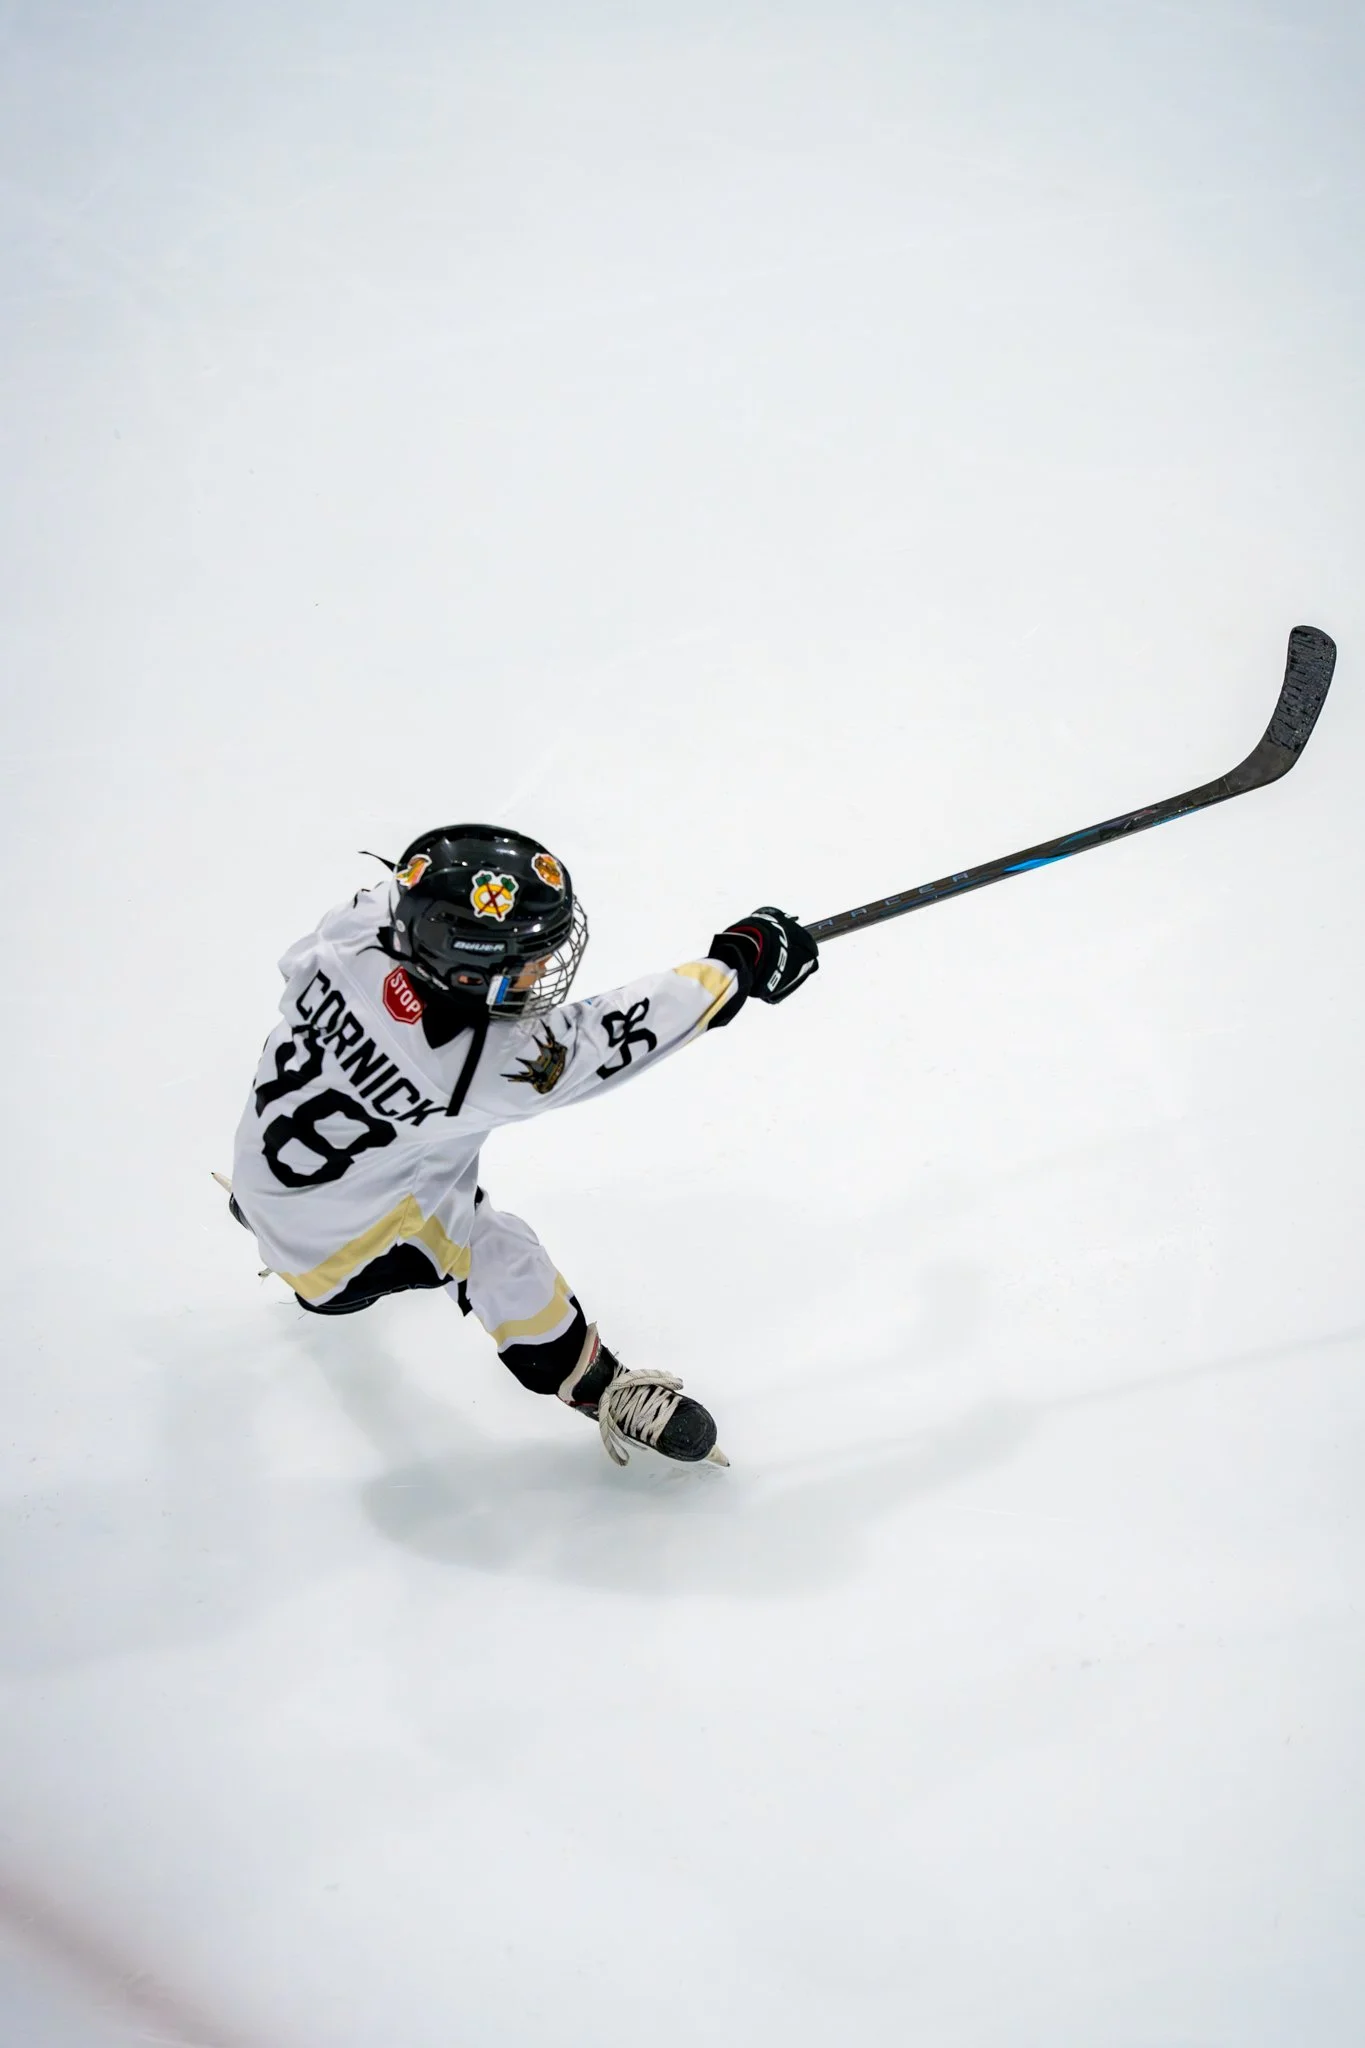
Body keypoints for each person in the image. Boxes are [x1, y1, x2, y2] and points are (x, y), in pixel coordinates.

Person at [227, 823, 819, 1467]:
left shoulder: (355, 931)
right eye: (527, 956)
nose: (542, 967)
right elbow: (614, 1034)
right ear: (463, 969)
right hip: (338, 1256)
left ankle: (283, 1216)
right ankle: (597, 1386)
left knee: (412, 1159)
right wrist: (737, 968)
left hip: (265, 1170)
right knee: (494, 1246)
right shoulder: (482, 1064)